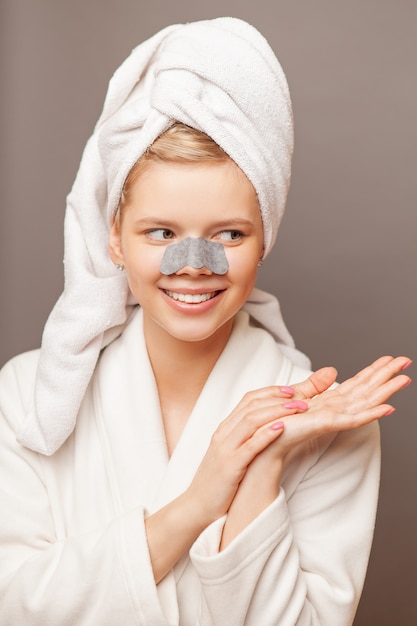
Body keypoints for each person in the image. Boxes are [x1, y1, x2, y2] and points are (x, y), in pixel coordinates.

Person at [0, 17, 411, 626]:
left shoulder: (332, 429)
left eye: (229, 234)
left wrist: (262, 468)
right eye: (161, 232)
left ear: (264, 237)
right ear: (114, 238)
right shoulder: (24, 399)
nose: (194, 266)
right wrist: (201, 498)